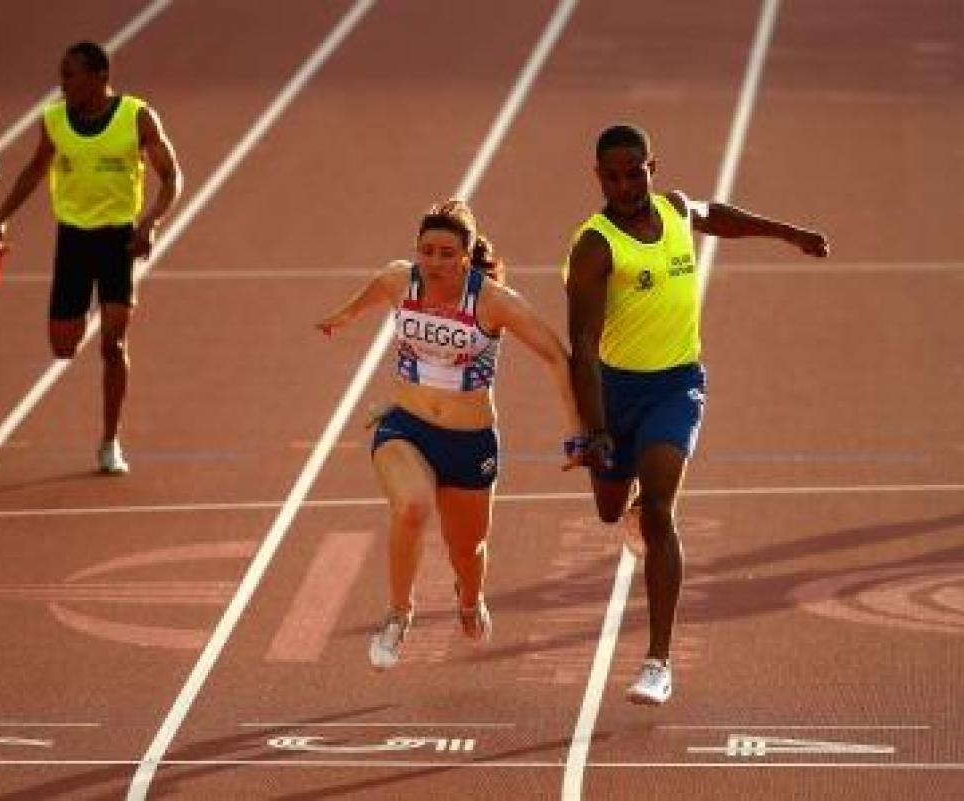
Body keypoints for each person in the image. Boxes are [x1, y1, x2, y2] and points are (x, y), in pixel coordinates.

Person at [564, 123, 829, 705]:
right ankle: (628, 504)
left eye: (636, 173)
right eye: (614, 176)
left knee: (660, 510)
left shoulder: (678, 211)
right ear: (599, 178)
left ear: (652, 169)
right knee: (612, 512)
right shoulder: (594, 246)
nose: (627, 185)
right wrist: (597, 429)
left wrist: (790, 233)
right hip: (615, 391)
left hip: (677, 385)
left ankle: (657, 662)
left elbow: (720, 216)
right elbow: (581, 346)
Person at [317, 199, 588, 670]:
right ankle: (398, 615)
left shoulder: (493, 301)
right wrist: (342, 317)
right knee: (412, 508)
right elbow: (374, 290)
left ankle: (469, 596)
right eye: (427, 251)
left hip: (469, 443)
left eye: (447, 253)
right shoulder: (400, 280)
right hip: (406, 427)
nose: (435, 262)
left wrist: (574, 427)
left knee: (467, 548)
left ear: (466, 256)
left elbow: (554, 356)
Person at [0, 41, 182, 474]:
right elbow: (35, 170)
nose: (63, 83)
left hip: (119, 240)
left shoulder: (137, 116)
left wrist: (150, 223)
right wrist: (1, 218)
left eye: (70, 75)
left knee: (113, 344)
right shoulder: (55, 120)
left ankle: (110, 442)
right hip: (73, 240)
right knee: (63, 346)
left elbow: (171, 176)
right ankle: (76, 326)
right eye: (62, 75)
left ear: (98, 76)